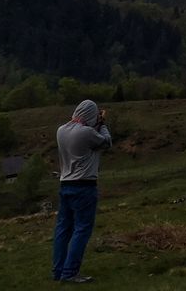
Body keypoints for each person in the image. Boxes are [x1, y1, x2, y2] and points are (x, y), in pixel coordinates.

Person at [53, 99, 112, 283]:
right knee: (82, 229)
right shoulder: (86, 132)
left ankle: (58, 271)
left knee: (63, 229)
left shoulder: (61, 130)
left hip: (65, 185)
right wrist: (102, 124)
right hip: (84, 186)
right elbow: (106, 142)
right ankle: (70, 272)